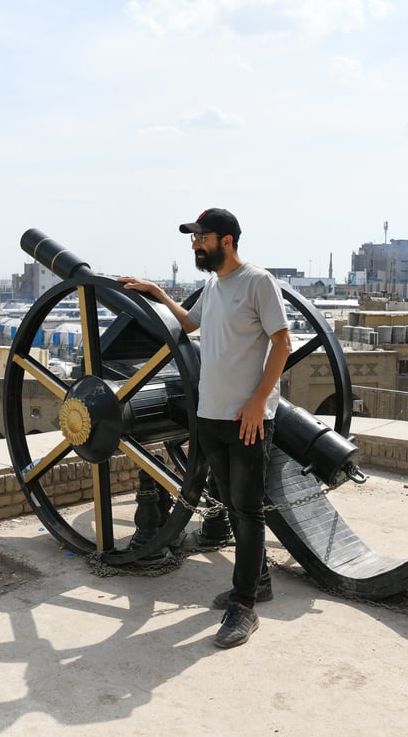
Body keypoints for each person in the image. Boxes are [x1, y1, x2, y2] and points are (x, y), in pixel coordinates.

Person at [120, 208, 290, 648]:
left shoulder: (258, 282)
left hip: (246, 419)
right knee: (234, 508)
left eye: (201, 237)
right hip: (211, 416)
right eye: (193, 238)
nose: (195, 244)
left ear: (227, 240)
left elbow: (282, 343)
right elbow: (192, 324)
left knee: (248, 512)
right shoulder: (214, 287)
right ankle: (259, 582)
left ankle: (244, 606)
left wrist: (257, 404)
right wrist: (157, 292)